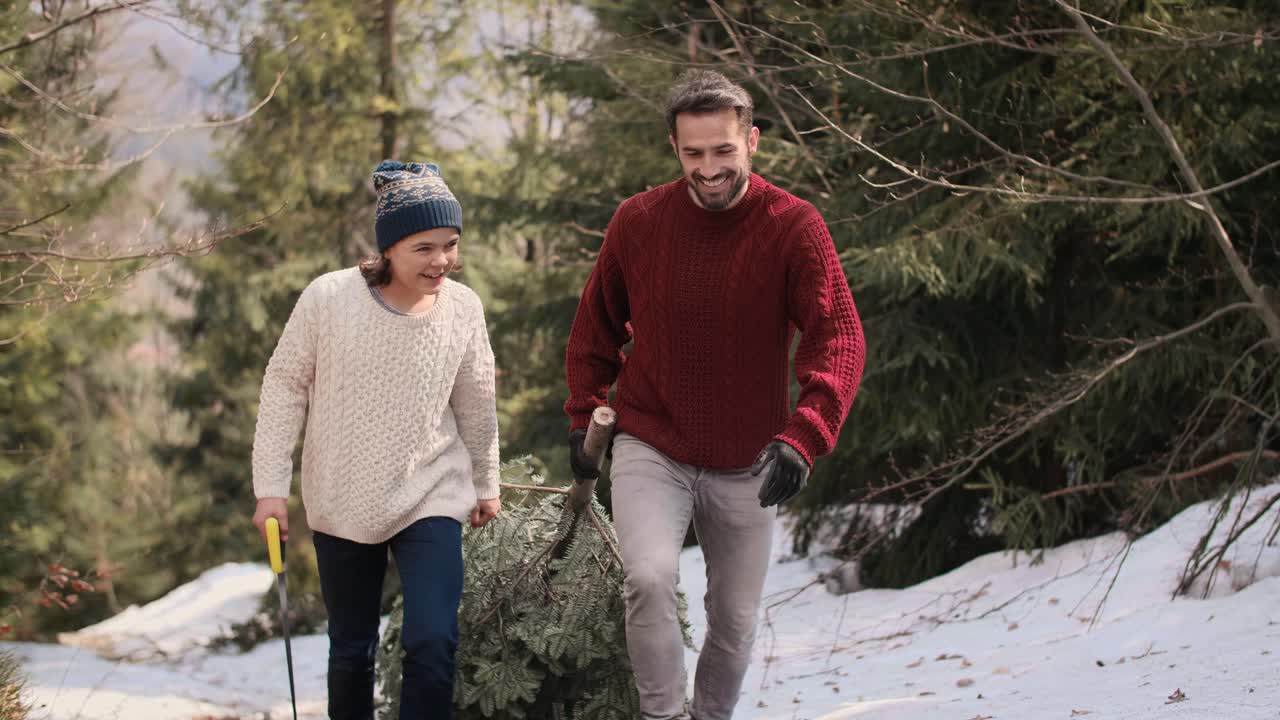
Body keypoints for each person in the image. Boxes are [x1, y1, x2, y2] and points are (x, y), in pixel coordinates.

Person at [563, 70, 866, 720]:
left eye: (723, 150)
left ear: (751, 141)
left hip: (748, 459)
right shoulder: (638, 222)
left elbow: (838, 337)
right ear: (676, 149)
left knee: (734, 620)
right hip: (654, 441)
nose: (709, 168)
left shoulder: (795, 227)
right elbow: (595, 328)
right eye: (694, 153)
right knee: (646, 578)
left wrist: (805, 435)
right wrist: (584, 411)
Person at [251, 160, 501, 720]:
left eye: (451, 245)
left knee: (433, 640)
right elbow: (285, 386)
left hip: (431, 492)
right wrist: (270, 488)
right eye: (425, 248)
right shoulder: (329, 298)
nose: (442, 261)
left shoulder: (463, 309)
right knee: (351, 650)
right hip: (342, 494)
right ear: (388, 247)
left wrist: (485, 481)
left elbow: (476, 402)